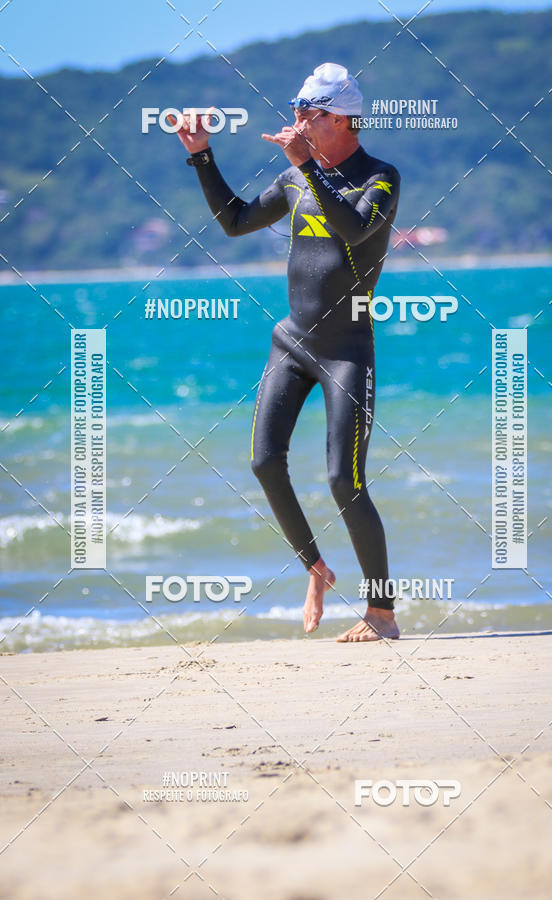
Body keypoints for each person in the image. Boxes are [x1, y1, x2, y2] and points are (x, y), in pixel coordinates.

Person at [172, 62, 400, 641]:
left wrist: (306, 165)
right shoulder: (297, 178)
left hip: (347, 347)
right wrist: (202, 156)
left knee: (344, 481)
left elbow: (353, 230)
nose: (297, 120)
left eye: (311, 112)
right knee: (264, 462)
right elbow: (236, 220)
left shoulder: (380, 177)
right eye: (296, 109)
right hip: (292, 341)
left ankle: (381, 613)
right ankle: (315, 569)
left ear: (344, 119)